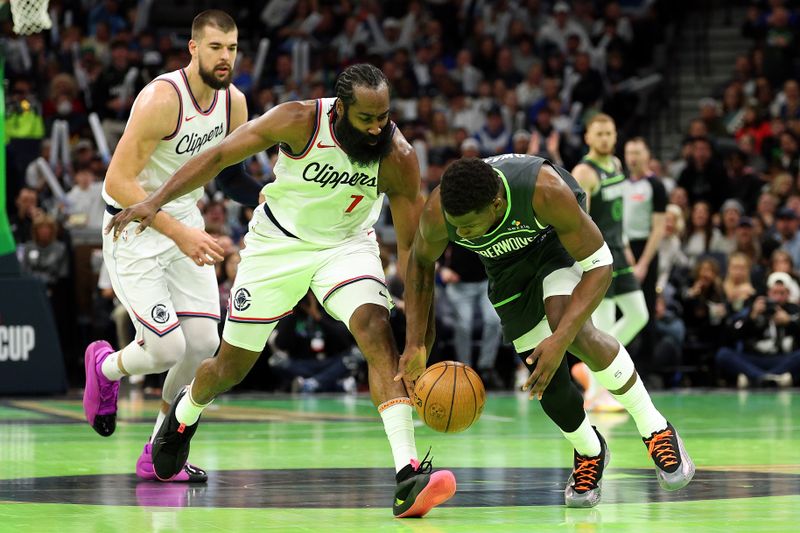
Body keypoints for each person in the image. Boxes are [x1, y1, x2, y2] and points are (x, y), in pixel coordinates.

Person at [105, 64, 455, 518]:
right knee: (230, 367)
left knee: (375, 328)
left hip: (345, 247)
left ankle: (407, 473)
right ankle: (185, 412)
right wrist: (154, 201)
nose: (376, 128)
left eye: (383, 117)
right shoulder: (298, 120)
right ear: (340, 109)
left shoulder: (398, 157)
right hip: (277, 247)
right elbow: (219, 157)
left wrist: (416, 342)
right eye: (366, 118)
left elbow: (413, 254)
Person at [399, 154, 694, 508]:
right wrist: (415, 342)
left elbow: (600, 267)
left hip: (555, 243)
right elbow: (419, 264)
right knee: (544, 377)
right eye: (455, 226)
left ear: (497, 203)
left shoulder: (544, 190)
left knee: (574, 332)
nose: (460, 235)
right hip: (506, 268)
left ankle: (655, 428)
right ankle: (590, 451)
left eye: (469, 226)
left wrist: (560, 340)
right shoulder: (439, 212)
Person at [83, 10, 262, 484]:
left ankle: (161, 450)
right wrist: (178, 232)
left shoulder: (234, 104)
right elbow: (117, 181)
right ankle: (105, 367)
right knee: (165, 349)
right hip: (133, 225)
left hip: (183, 220)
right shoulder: (163, 99)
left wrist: (269, 195)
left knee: (203, 346)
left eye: (232, 48)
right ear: (193, 48)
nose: (225, 58)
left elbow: (229, 176)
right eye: (216, 48)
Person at [571, 114, 647, 410]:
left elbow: (618, 212)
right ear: (587, 137)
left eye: (609, 133)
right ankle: (595, 395)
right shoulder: (584, 172)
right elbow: (579, 220)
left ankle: (589, 370)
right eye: (599, 133)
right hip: (598, 256)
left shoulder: (615, 164)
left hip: (619, 250)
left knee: (639, 314)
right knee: (600, 326)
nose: (605, 138)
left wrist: (626, 246)